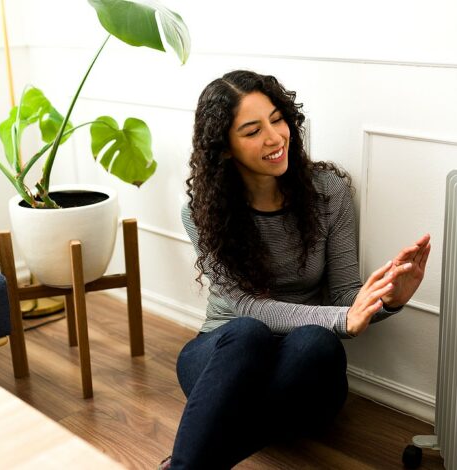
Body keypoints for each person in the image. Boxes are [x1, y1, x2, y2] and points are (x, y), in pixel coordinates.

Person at [163, 70, 431, 470]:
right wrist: (345, 318)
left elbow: (346, 297)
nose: (274, 138)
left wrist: (387, 302)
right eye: (252, 131)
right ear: (224, 149)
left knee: (317, 343)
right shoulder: (200, 214)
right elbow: (248, 307)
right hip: (224, 358)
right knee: (247, 331)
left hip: (301, 369)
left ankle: (192, 459)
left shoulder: (328, 192)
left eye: (277, 119)